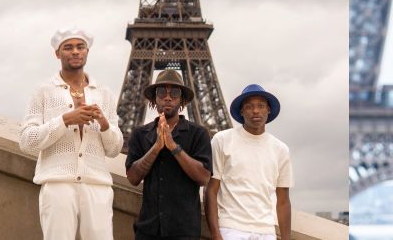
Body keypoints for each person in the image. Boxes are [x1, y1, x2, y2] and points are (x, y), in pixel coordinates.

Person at [20, 27, 123, 239]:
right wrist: (65, 120)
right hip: (57, 184)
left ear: (87, 51)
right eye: (68, 47)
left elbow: (114, 149)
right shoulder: (43, 91)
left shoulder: (105, 93)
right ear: (57, 54)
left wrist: (103, 123)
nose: (75, 51)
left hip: (97, 185)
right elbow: (26, 141)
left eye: (80, 47)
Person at [126, 69, 212, 240]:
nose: (167, 97)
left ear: (182, 99)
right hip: (147, 231)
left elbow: (203, 178)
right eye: (161, 92)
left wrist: (173, 146)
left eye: (174, 92)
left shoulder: (198, 134)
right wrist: (156, 147)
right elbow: (133, 178)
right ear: (154, 99)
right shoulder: (140, 134)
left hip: (184, 232)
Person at [205, 84, 292, 240]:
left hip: (266, 231)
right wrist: (216, 235)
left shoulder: (281, 149)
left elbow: (283, 201)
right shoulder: (222, 140)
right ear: (242, 111)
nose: (256, 110)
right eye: (249, 106)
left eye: (261, 106)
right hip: (231, 228)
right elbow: (211, 190)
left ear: (269, 110)